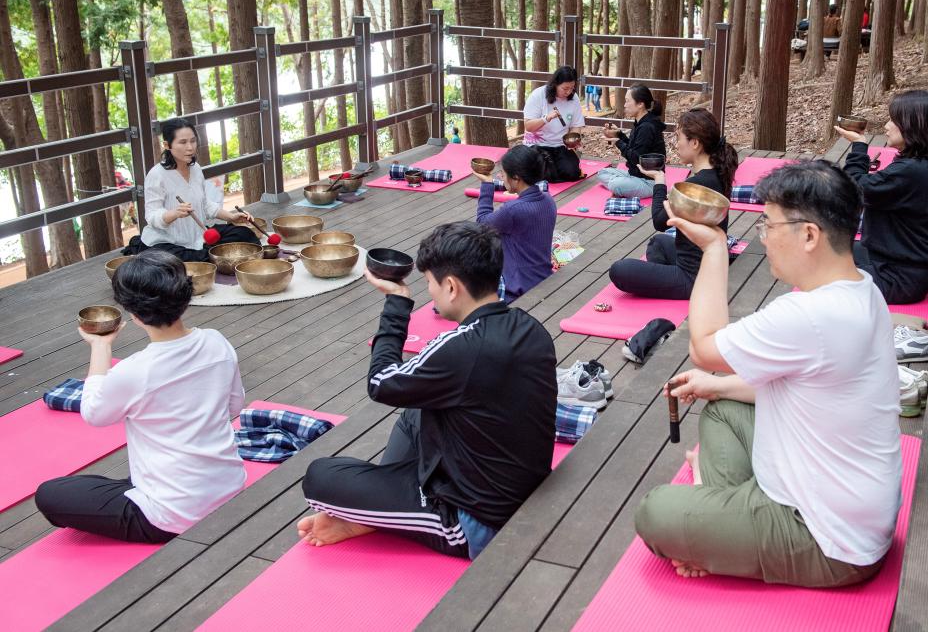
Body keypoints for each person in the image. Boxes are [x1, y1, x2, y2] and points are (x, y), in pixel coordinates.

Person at [634, 161, 902, 587]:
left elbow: (704, 346)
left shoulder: (809, 315)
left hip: (829, 539)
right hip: (846, 501)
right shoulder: (861, 288)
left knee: (654, 511)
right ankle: (721, 523)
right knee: (720, 408)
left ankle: (715, 525)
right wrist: (717, 386)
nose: (763, 238)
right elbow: (803, 388)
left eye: (768, 225)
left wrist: (714, 249)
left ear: (809, 234)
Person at [297, 222, 557, 559]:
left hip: (475, 520)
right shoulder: (529, 327)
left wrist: (397, 302)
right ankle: (379, 512)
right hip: (517, 487)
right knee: (414, 415)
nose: (430, 292)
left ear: (450, 286)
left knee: (319, 477)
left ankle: (380, 515)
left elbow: (381, 383)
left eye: (429, 283)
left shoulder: (462, 346)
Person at [35, 250, 247, 543]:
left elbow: (94, 414)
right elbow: (234, 406)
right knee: (105, 484)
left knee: (50, 494)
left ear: (132, 313)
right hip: (229, 490)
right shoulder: (216, 342)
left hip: (171, 517)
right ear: (185, 299)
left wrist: (100, 346)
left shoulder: (137, 370)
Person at [608, 109, 736, 300]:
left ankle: (667, 284)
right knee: (658, 243)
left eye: (679, 138)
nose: (676, 145)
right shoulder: (716, 173)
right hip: (706, 264)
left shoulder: (697, 184)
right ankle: (662, 282)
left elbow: (660, 221)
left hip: (694, 278)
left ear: (695, 143)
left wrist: (660, 180)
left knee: (619, 270)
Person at [835, 90, 928, 304]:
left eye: (893, 120)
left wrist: (859, 146)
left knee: (816, 271)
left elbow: (852, 189)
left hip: (899, 279)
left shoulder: (911, 171)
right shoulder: (922, 163)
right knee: (826, 247)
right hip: (892, 261)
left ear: (913, 125)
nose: (886, 126)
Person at [122, 118, 258, 262]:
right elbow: (151, 216)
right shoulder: (157, 175)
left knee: (243, 234)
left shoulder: (196, 168)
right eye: (182, 142)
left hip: (197, 234)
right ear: (167, 145)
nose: (190, 147)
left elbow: (204, 204)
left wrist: (231, 217)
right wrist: (174, 213)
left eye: (193, 141)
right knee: (190, 260)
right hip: (168, 241)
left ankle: (209, 256)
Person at [473, 146, 557, 303]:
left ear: (516, 178)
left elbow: (481, 224)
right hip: (543, 277)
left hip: (518, 287)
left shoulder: (513, 210)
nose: (501, 177)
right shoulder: (548, 200)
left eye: (503, 174)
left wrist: (487, 184)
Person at [596, 84, 667, 199]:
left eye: (627, 101)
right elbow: (635, 148)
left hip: (649, 182)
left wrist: (618, 142)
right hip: (634, 175)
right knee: (601, 173)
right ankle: (625, 186)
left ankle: (623, 186)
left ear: (640, 104)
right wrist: (619, 134)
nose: (624, 105)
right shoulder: (641, 122)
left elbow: (635, 157)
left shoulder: (647, 127)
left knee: (615, 184)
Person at [522, 66, 587, 183]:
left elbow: (576, 125)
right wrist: (546, 119)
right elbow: (528, 126)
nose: (569, 92)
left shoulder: (574, 98)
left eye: (572, 88)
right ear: (555, 84)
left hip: (560, 145)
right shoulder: (538, 95)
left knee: (572, 172)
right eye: (565, 88)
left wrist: (573, 140)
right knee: (544, 172)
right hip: (537, 145)